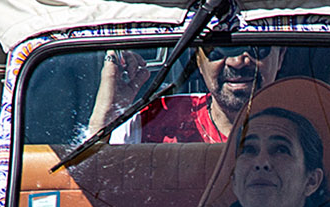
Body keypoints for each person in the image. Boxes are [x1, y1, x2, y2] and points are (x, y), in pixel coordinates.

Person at [187, 108, 330, 207]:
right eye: (249, 149)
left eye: (281, 150)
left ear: (311, 181)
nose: (261, 163)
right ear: (234, 180)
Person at [90, 44, 285, 143]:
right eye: (216, 49)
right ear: (198, 59)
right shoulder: (149, 121)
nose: (236, 62)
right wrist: (105, 117)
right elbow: (89, 187)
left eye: (256, 48)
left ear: (281, 55)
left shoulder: (311, 124)